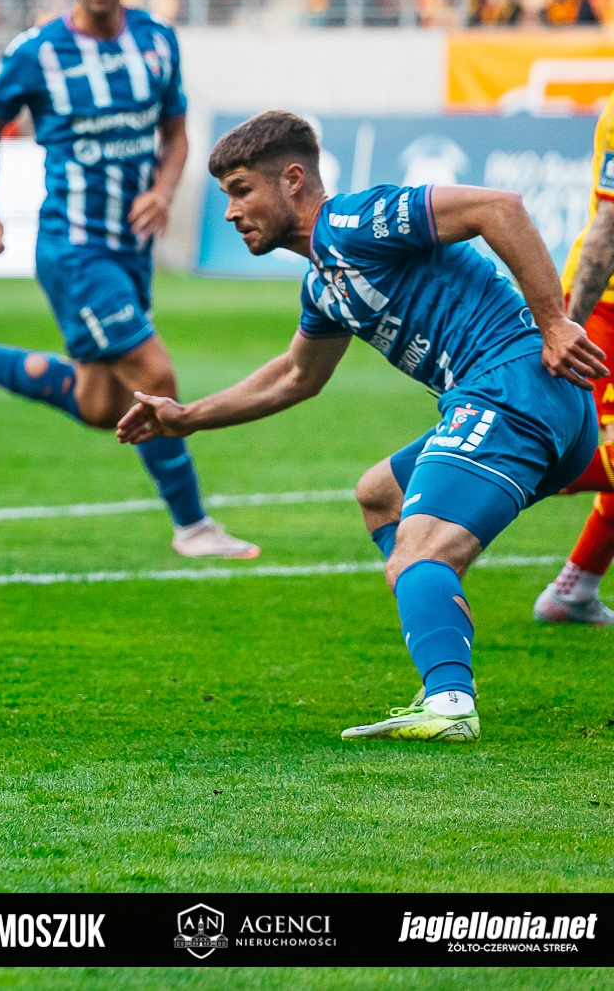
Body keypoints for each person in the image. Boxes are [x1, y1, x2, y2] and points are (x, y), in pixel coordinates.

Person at [118, 111, 606, 742]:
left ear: (293, 179)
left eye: (242, 190)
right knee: (381, 495)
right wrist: (187, 417)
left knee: (419, 550)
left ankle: (449, 701)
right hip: (534, 404)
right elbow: (297, 375)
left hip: (514, 388)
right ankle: (435, 618)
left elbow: (499, 207)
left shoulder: (356, 221)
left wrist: (554, 322)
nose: (232, 211)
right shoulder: (324, 284)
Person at [0, 0, 256, 560]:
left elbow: (177, 132)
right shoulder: (38, 52)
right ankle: (193, 525)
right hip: (74, 247)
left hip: (131, 251)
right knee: (153, 371)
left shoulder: (156, 41)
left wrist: (162, 190)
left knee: (102, 406)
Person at [533, 95, 614, 625]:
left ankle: (575, 588)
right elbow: (611, 227)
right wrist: (571, 327)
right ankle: (470, 473)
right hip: (605, 310)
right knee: (588, 450)